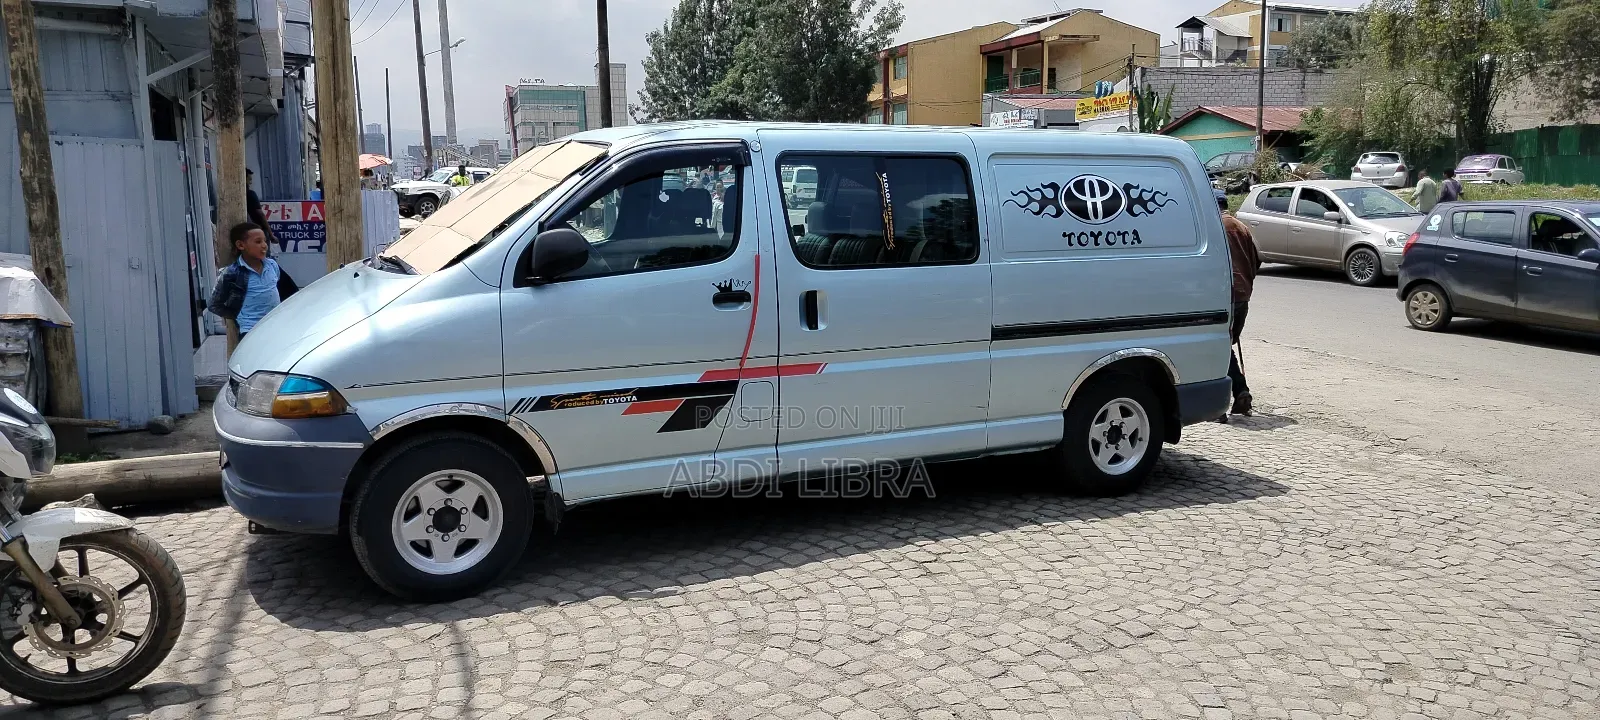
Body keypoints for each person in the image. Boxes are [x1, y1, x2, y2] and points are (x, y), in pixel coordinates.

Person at [207, 222, 297, 337]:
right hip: (250, 331)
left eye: (265, 241)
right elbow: (214, 305)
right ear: (240, 245)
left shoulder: (272, 265)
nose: (264, 245)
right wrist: (237, 315)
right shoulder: (231, 273)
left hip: (276, 326)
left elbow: (286, 289)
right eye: (258, 242)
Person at [1218, 193, 1260, 418]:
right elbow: (1256, 262)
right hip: (1242, 295)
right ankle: (1240, 393)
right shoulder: (1242, 227)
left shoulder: (1217, 227)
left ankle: (1227, 399)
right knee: (1224, 346)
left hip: (1225, 296)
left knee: (1218, 348)